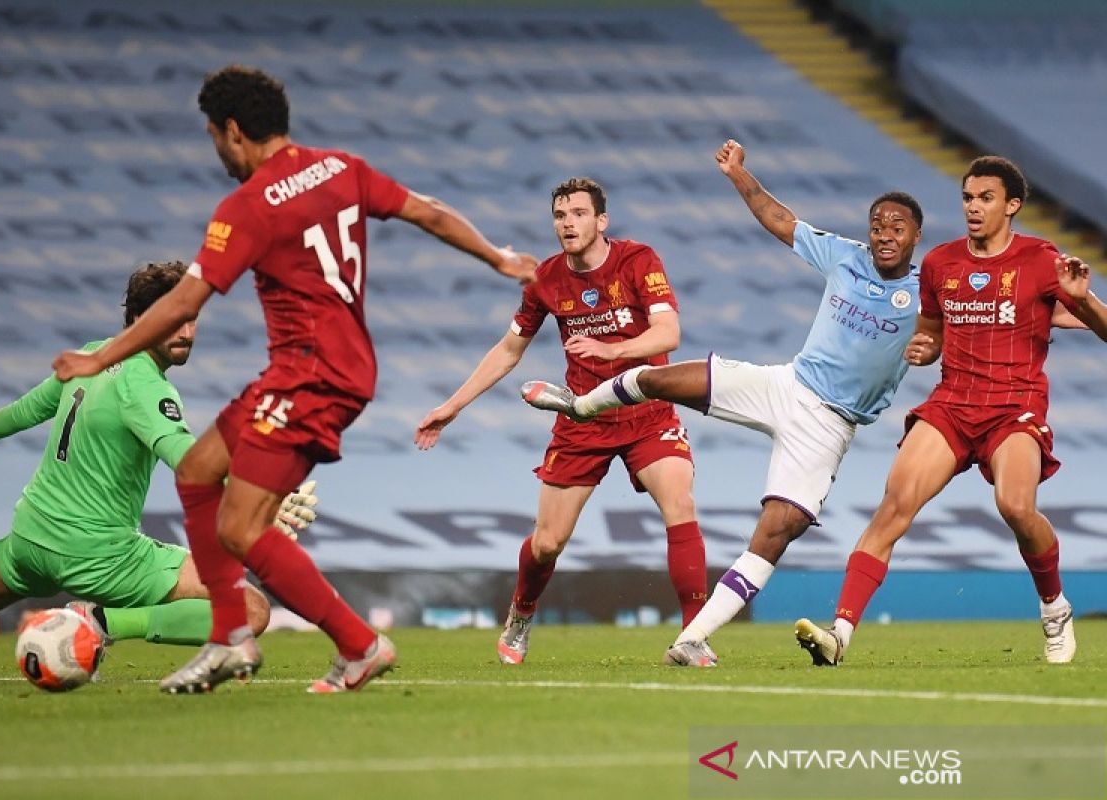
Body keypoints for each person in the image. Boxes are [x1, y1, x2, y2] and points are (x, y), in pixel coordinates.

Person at [51, 65, 537, 694]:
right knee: (197, 469)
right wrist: (497, 257)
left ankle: (359, 646)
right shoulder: (342, 168)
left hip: (313, 375)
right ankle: (230, 638)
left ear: (233, 131)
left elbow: (182, 301)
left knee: (240, 528)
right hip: (319, 367)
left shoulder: (248, 206)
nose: (218, 153)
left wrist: (100, 357)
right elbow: (430, 212)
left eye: (213, 138)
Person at [523, 139, 925, 667]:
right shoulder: (846, 255)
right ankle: (581, 406)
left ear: (916, 236)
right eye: (878, 226)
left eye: (897, 228)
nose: (884, 236)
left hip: (829, 425)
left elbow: (952, 330)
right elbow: (780, 218)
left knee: (778, 530)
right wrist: (740, 174)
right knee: (663, 377)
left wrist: (931, 346)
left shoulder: (929, 289)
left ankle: (692, 638)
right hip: (787, 385)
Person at [0, 262, 318, 663]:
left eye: (191, 320)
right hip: (99, 557)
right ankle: (98, 622)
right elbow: (188, 460)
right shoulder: (145, 385)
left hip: (32, 539)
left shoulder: (92, 355)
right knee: (250, 608)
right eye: (173, 320)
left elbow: (25, 410)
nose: (186, 333)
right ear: (139, 319)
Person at [793, 155, 1107, 666]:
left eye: (986, 198)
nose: (974, 207)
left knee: (1015, 507)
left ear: (1013, 205)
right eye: (967, 197)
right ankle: (839, 634)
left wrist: (1084, 299)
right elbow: (933, 332)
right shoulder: (940, 264)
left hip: (1014, 406)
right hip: (953, 405)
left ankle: (1054, 607)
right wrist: (924, 348)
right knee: (893, 508)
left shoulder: (1040, 261)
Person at [415, 177, 707, 664]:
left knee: (680, 501)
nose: (567, 223)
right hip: (583, 416)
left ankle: (694, 635)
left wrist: (615, 350)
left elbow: (668, 332)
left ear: (601, 221)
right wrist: (453, 405)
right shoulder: (546, 279)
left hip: (645, 408)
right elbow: (509, 350)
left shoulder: (638, 260)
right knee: (548, 543)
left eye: (577, 213)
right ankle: (522, 614)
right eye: (559, 216)